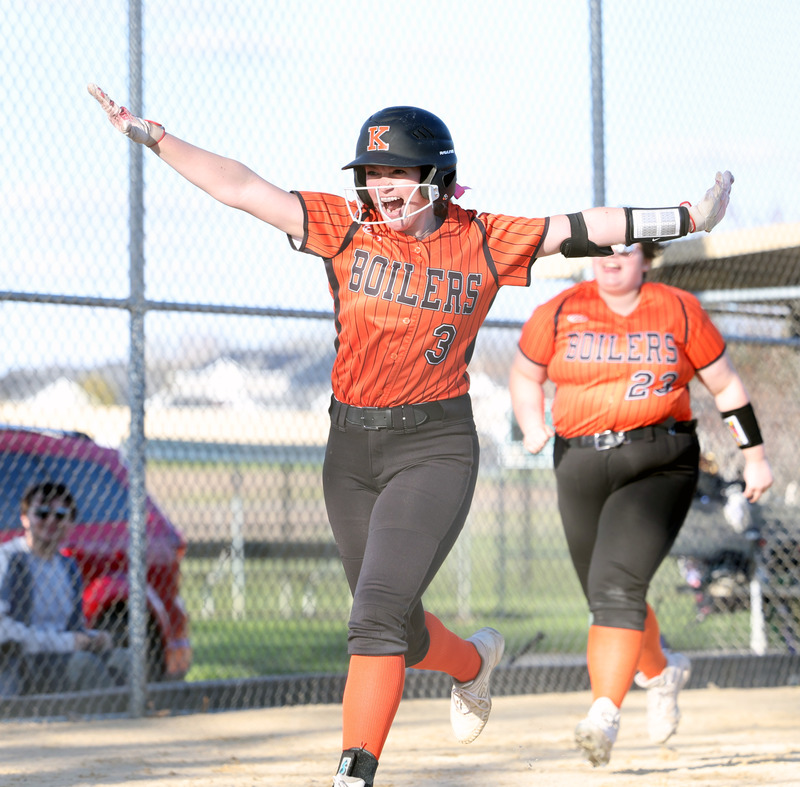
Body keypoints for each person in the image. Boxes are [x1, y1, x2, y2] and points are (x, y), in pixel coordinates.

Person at [88, 83, 734, 786]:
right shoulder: (345, 225)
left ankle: (352, 774)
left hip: (434, 445)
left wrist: (686, 215)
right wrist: (158, 138)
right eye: (371, 175)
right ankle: (473, 662)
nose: (380, 188)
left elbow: (579, 226)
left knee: (372, 619)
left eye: (396, 174)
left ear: (436, 177)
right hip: (350, 449)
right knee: (398, 617)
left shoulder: (481, 236)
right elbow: (243, 187)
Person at [509, 240, 774, 767]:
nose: (611, 258)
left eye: (625, 250)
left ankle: (603, 714)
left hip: (659, 457)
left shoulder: (677, 308)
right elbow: (524, 373)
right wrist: (531, 422)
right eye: (600, 249)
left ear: (647, 259)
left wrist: (756, 457)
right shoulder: (558, 311)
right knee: (605, 594)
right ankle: (660, 670)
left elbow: (724, 385)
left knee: (616, 586)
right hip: (579, 460)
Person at [0, 481, 125, 695]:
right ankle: (111, 723)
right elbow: (3, 630)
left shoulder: (68, 567)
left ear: (69, 523)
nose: (51, 521)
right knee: (84, 664)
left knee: (126, 658)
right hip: (24, 662)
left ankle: (131, 717)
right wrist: (66, 643)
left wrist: (94, 637)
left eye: (59, 515)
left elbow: (72, 629)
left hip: (63, 656)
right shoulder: (9, 559)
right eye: (41, 513)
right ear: (24, 517)